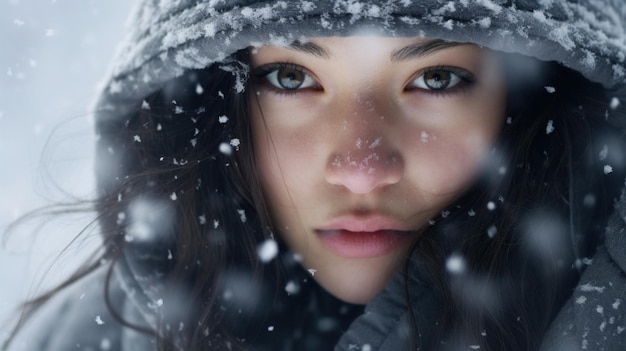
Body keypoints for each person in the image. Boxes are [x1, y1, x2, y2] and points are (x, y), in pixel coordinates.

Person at [3, 1, 626, 350]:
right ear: (212, 104)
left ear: (534, 99)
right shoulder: (88, 337)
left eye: (435, 79)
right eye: (294, 78)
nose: (360, 170)